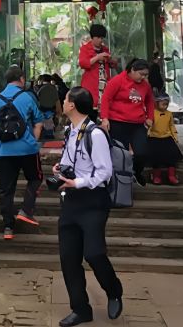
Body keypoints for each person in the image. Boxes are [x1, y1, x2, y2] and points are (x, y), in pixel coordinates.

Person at [54, 86, 123, 326]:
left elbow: (104, 171)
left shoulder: (95, 134)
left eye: (65, 99)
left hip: (94, 201)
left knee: (93, 253)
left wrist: (78, 182)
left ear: (72, 105)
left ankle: (113, 290)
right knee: (68, 257)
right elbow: (69, 160)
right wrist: (60, 170)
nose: (62, 102)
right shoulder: (69, 131)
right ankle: (81, 309)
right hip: (71, 200)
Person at [0, 66, 44, 240]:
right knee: (35, 178)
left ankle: (8, 228)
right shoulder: (27, 97)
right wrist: (34, 142)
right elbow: (38, 122)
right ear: (21, 79)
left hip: (4, 150)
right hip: (27, 148)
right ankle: (26, 210)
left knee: (6, 190)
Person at [100, 58, 154, 186]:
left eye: (146, 75)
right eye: (141, 74)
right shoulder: (117, 80)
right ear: (132, 70)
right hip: (118, 122)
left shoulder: (145, 85)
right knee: (120, 154)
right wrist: (105, 118)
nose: (144, 77)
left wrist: (150, 117)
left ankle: (136, 171)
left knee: (141, 152)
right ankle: (120, 181)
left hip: (137, 124)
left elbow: (150, 101)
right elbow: (106, 99)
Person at [78, 24, 117, 119]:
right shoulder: (85, 48)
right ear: (92, 37)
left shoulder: (105, 49)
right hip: (91, 84)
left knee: (104, 108)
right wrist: (97, 57)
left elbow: (113, 65)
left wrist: (111, 60)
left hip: (104, 83)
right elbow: (83, 63)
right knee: (91, 109)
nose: (100, 40)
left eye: (102, 38)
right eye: (98, 37)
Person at [147, 92, 182, 185]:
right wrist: (147, 133)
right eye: (163, 104)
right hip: (155, 137)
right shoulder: (152, 113)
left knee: (172, 155)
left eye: (166, 104)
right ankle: (156, 176)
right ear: (156, 103)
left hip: (167, 137)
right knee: (156, 157)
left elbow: (171, 125)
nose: (165, 106)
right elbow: (149, 125)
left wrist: (175, 136)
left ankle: (172, 176)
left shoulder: (169, 114)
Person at [35, 73, 62, 139]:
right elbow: (57, 102)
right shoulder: (54, 88)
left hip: (40, 113)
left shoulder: (39, 88)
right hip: (51, 114)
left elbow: (36, 101)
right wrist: (59, 113)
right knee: (49, 134)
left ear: (42, 80)